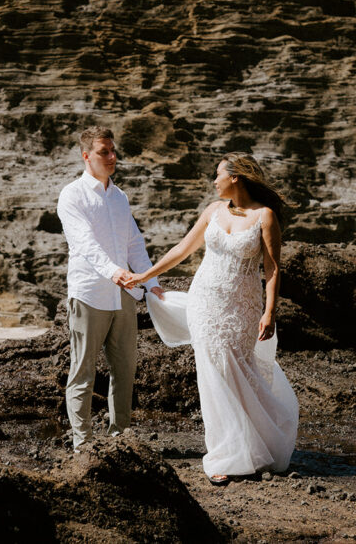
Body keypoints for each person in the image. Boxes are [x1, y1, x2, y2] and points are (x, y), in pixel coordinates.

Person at [123, 153, 299, 485]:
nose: (213, 181)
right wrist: (146, 275)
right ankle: (223, 454)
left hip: (242, 309)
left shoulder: (265, 216)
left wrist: (270, 312)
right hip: (205, 304)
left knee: (238, 374)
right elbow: (182, 250)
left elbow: (272, 268)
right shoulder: (213, 211)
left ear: (236, 177)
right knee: (211, 377)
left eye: (218, 175)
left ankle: (259, 443)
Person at [57, 126, 165, 450]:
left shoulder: (120, 197)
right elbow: (85, 245)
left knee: (125, 371)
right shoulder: (72, 195)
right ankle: (83, 446)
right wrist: (114, 273)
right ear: (86, 156)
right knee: (83, 372)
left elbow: (134, 243)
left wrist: (152, 283)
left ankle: (121, 441)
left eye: (113, 151)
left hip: (125, 294)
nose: (112, 157)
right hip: (89, 292)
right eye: (104, 152)